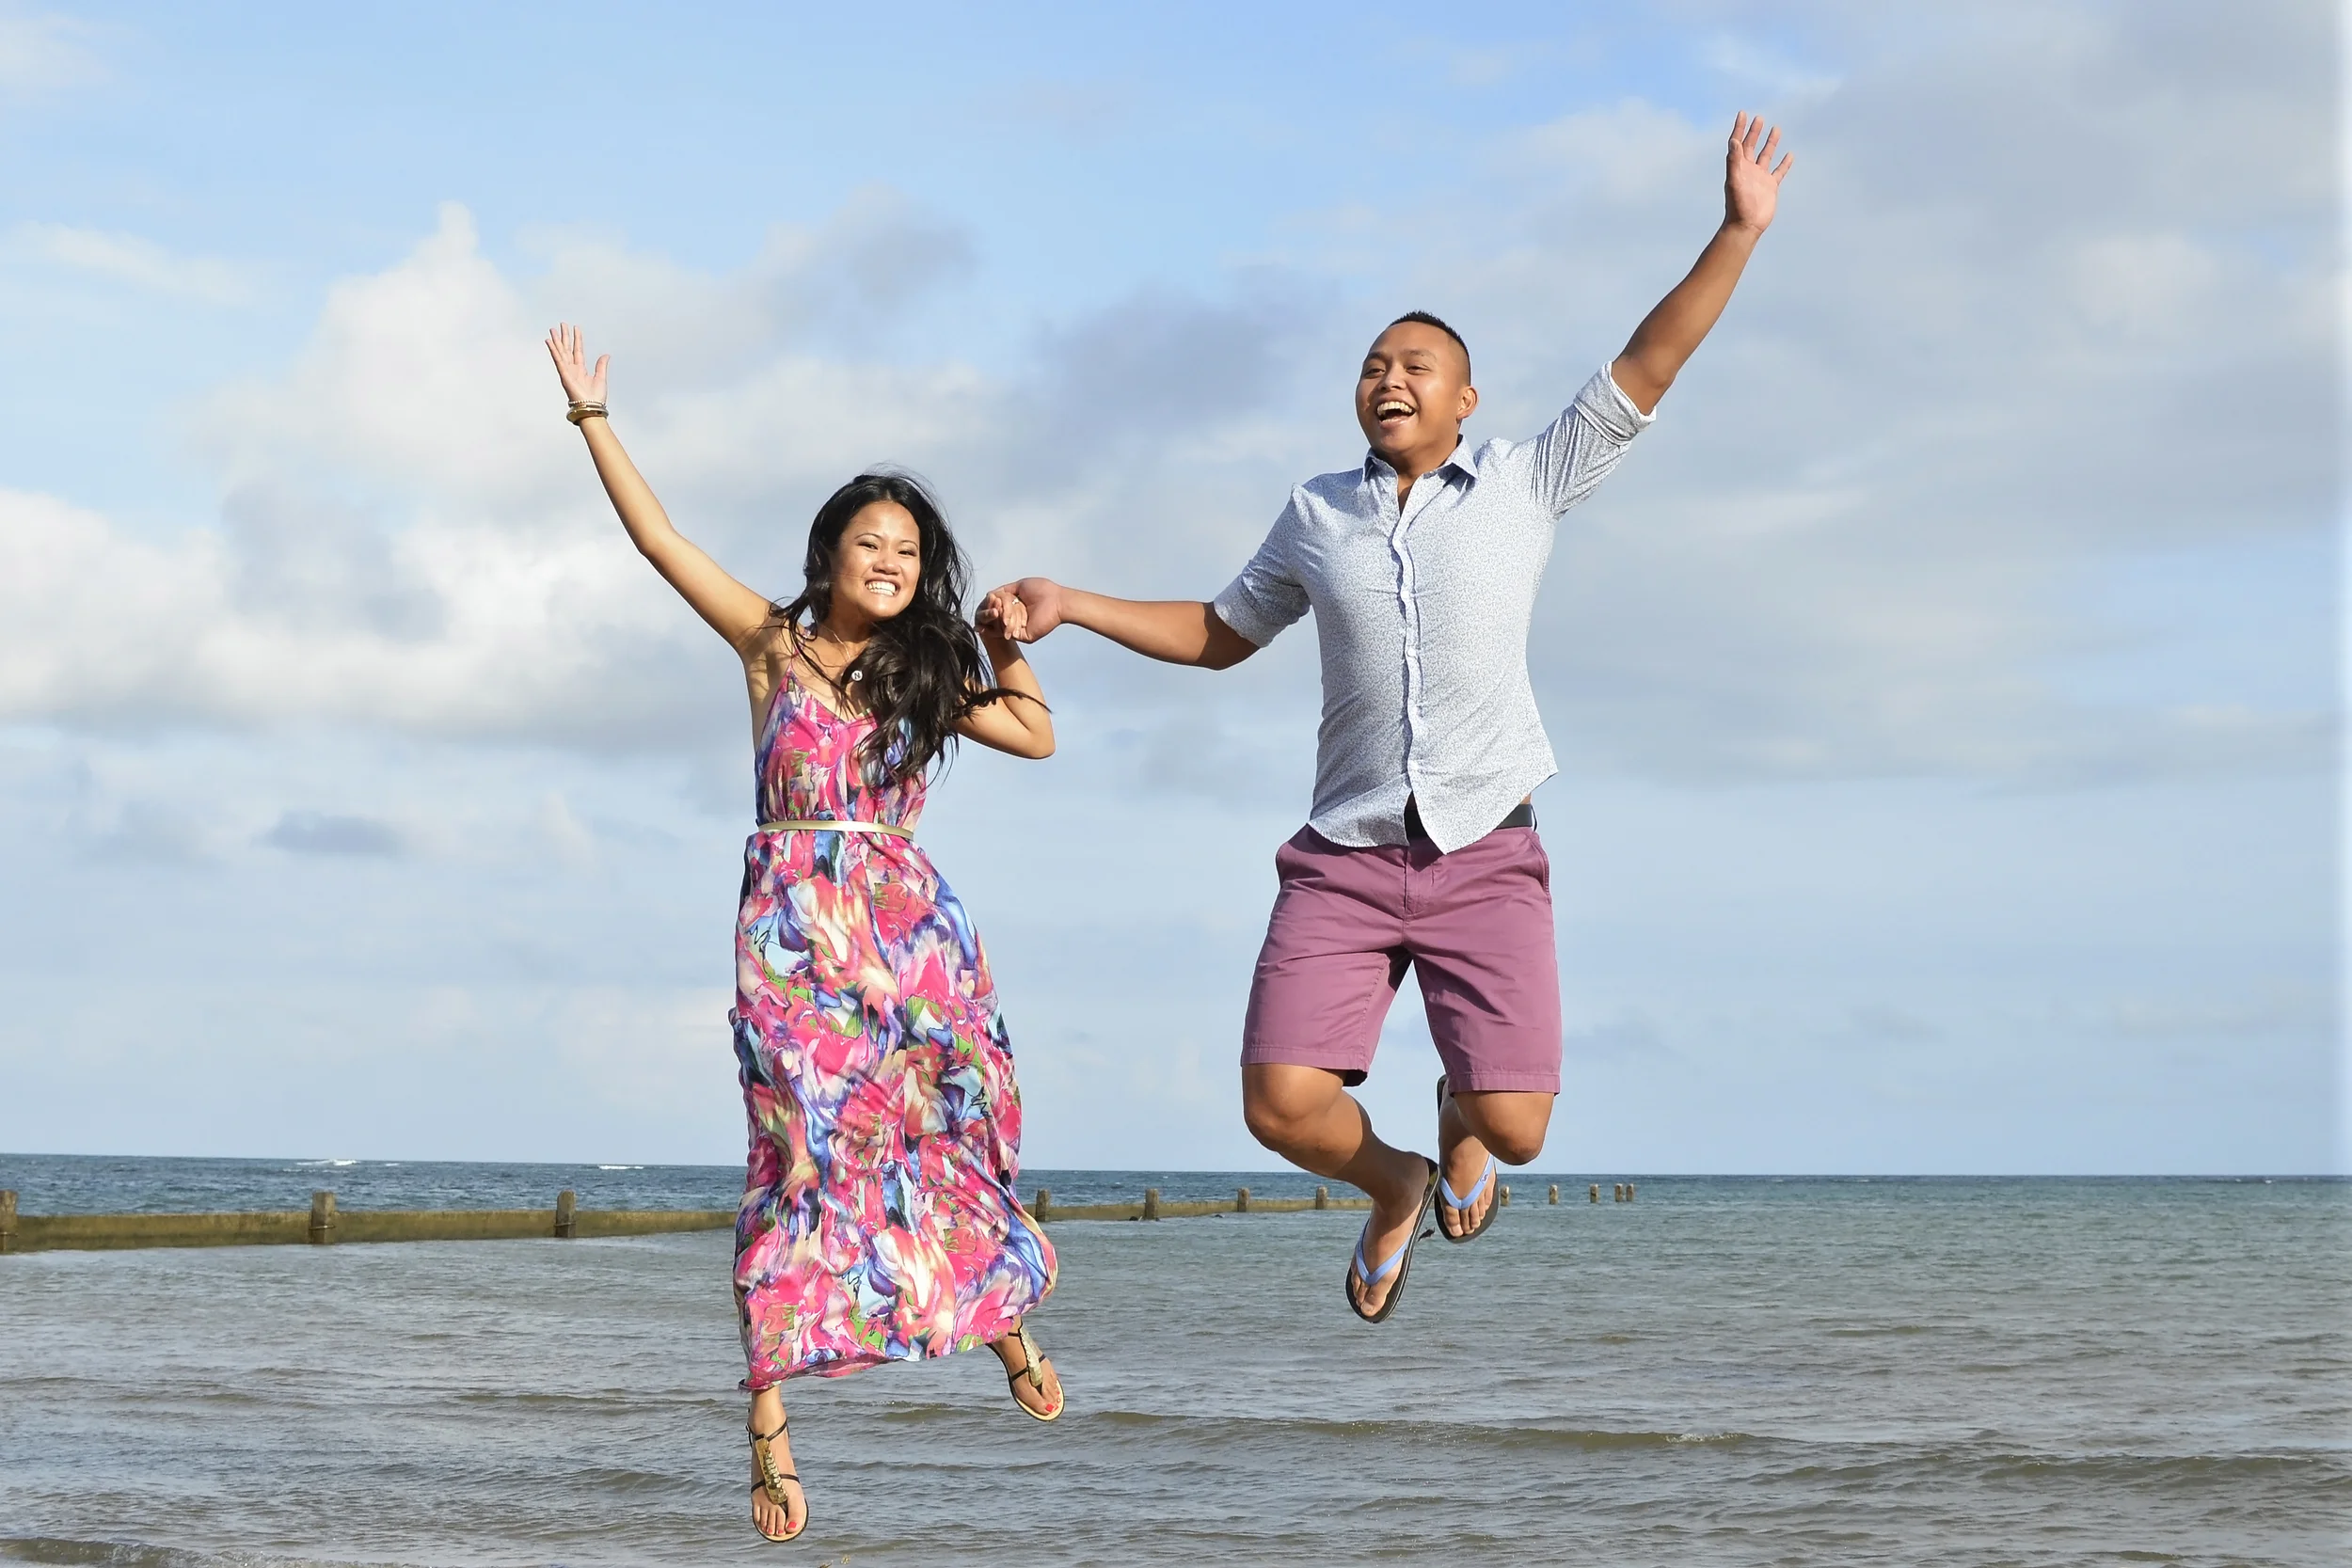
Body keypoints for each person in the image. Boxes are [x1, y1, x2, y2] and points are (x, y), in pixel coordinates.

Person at [984, 114, 1793, 1324]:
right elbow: (1221, 632)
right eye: (1372, 364)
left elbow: (1650, 360)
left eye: (1416, 364)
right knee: (1278, 1102)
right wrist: (1073, 603)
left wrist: (1734, 231)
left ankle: (1463, 1127)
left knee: (1517, 1128)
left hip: (1486, 846)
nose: (1390, 378)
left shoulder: (1528, 479)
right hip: (1346, 855)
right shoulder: (1316, 514)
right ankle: (1394, 1178)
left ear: (1465, 398)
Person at [545, 324, 1066, 1544]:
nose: (888, 559)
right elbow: (660, 540)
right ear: (829, 549)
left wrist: (1002, 643)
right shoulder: (770, 643)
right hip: (789, 937)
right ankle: (768, 1425)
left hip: (906, 926)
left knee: (942, 1121)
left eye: (908, 548)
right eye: (869, 541)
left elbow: (1039, 736)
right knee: (794, 1157)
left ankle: (999, 1317)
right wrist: (593, 420)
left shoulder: (927, 670)